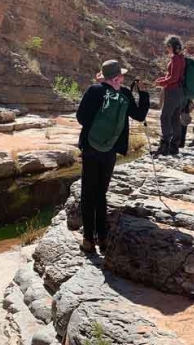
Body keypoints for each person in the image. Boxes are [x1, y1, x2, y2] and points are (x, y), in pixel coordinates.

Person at [76, 60, 150, 254]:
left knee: (88, 193)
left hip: (91, 148)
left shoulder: (94, 90)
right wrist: (143, 93)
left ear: (104, 75)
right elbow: (140, 116)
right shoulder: (125, 94)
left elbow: (81, 118)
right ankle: (103, 237)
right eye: (122, 75)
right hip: (111, 150)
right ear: (119, 77)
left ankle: (87, 240)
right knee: (101, 192)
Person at [154, 36, 186, 156]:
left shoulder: (175, 59)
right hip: (178, 91)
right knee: (174, 118)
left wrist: (161, 83)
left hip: (172, 91)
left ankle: (165, 145)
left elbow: (173, 78)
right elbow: (172, 76)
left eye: (168, 46)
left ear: (172, 46)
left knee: (165, 117)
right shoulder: (181, 58)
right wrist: (161, 79)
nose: (167, 49)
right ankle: (174, 146)